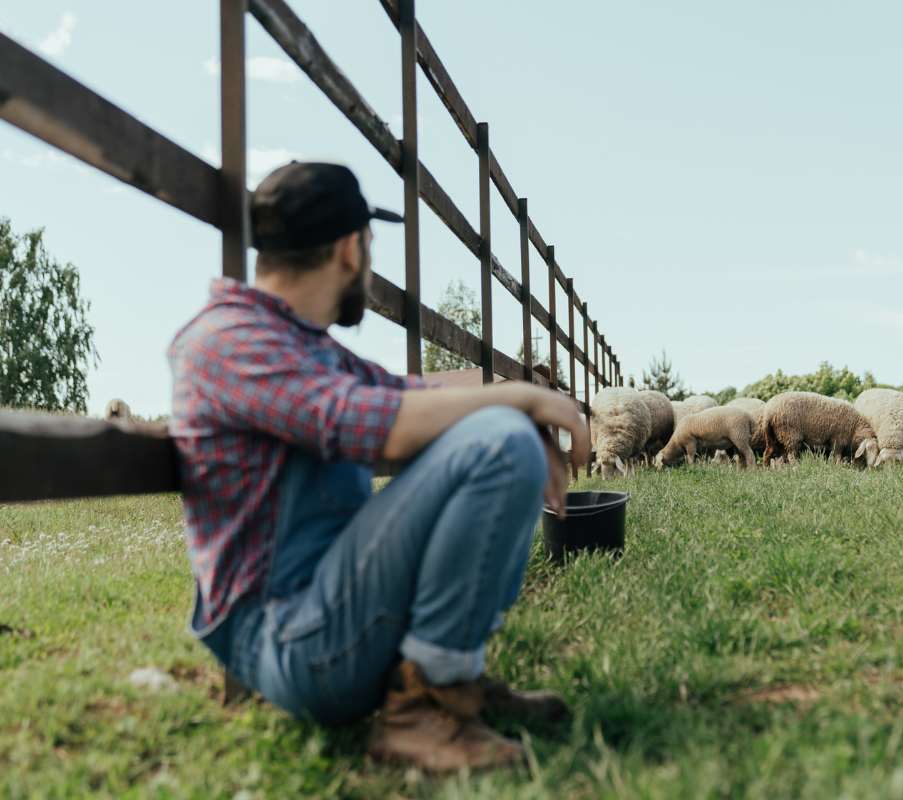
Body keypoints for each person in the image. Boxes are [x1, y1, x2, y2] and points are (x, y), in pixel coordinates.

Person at [168, 161, 589, 772]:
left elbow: (409, 396)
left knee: (497, 432)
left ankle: (449, 683)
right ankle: (422, 713)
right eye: (370, 246)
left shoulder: (302, 345)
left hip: (328, 612)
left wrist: (513, 412)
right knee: (499, 438)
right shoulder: (228, 342)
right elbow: (361, 421)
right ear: (350, 248)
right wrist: (522, 400)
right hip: (288, 638)